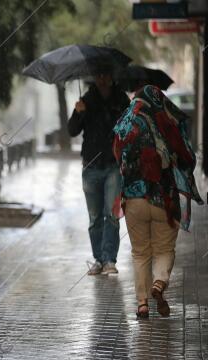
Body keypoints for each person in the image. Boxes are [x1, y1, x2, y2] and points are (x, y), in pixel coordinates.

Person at [113, 85, 202, 318]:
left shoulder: (127, 121)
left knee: (140, 252)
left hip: (133, 199)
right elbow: (187, 156)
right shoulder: (166, 122)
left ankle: (142, 303)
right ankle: (159, 283)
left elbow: (116, 153)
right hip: (163, 198)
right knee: (164, 249)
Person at [68, 69, 130, 275]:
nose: (102, 78)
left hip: (113, 165)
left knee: (111, 215)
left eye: (105, 74)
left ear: (112, 76)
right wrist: (78, 113)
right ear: (94, 77)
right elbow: (72, 131)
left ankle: (109, 260)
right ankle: (98, 259)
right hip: (90, 166)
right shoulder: (86, 100)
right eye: (98, 75)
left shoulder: (121, 100)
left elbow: (129, 128)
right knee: (94, 217)